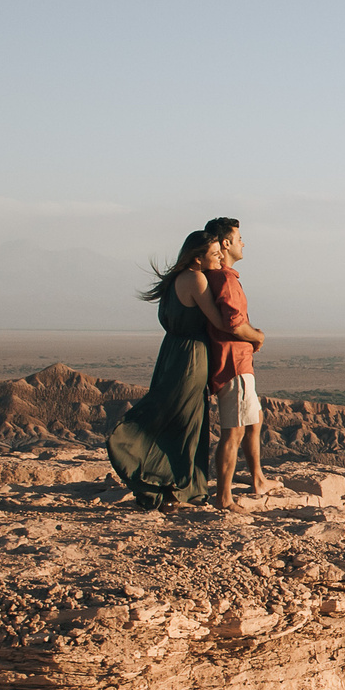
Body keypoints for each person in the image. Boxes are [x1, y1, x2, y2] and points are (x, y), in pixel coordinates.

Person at [106, 229, 239, 509]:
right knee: (188, 421)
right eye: (214, 254)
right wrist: (253, 335)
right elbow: (218, 321)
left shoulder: (174, 281)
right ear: (197, 256)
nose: (219, 259)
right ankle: (180, 489)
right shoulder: (196, 279)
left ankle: (171, 485)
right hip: (192, 356)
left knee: (175, 415)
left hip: (171, 353)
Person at [201, 216, 269, 508]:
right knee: (234, 430)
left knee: (254, 419)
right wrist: (257, 337)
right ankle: (224, 497)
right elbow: (233, 323)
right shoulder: (225, 279)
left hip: (239, 361)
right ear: (226, 243)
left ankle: (258, 480)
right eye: (239, 237)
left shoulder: (220, 278)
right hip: (233, 362)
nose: (243, 243)